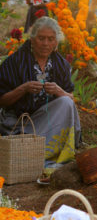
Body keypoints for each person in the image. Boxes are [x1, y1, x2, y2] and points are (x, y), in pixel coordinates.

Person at [0, 17, 81, 168]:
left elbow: (71, 99)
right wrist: (23, 89)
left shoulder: (60, 64)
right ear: (32, 39)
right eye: (41, 38)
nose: (45, 43)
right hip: (20, 124)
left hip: (47, 123)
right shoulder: (15, 62)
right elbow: (2, 100)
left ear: (56, 42)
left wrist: (58, 91)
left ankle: (47, 155)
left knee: (66, 102)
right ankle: (32, 156)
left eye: (50, 39)